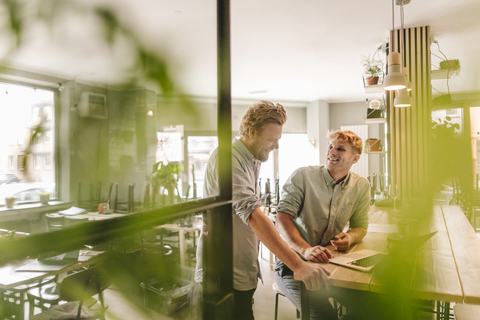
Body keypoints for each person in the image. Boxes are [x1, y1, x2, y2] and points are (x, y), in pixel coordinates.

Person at [195, 100, 330, 320]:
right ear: (251, 132)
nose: (276, 146)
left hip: (241, 269)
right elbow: (253, 215)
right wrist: (298, 266)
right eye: (271, 139)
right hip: (222, 274)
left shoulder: (252, 159)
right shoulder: (227, 158)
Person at [274, 130, 376, 320]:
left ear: (355, 158)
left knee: (373, 310)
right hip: (293, 265)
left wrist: (350, 237)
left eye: (340, 149)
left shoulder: (361, 185)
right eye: (330, 147)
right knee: (324, 317)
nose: (332, 152)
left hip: (330, 263)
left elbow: (360, 226)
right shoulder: (303, 176)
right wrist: (305, 250)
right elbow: (282, 219)